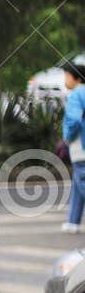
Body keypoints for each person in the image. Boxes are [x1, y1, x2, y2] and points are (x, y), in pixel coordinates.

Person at [61, 62, 85, 233]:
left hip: (81, 145)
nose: (65, 79)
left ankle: (72, 222)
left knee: (81, 179)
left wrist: (67, 137)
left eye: (66, 75)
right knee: (77, 184)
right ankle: (73, 221)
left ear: (75, 77)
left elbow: (74, 120)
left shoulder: (76, 94)